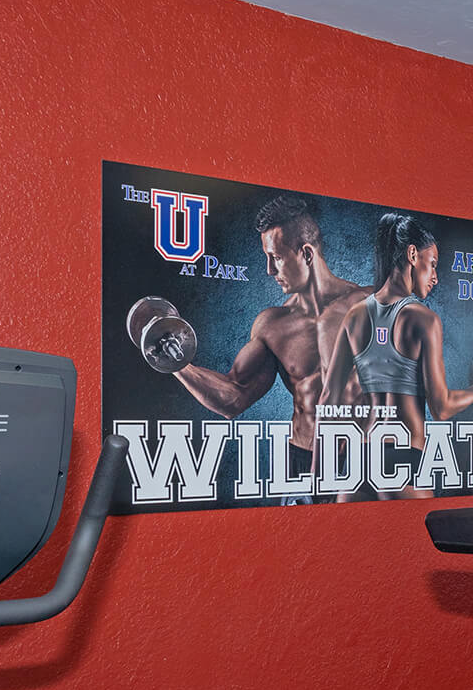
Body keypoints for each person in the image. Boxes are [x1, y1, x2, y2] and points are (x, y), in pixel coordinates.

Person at [144, 195, 371, 495]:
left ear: (306, 254)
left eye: (276, 257)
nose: (269, 270)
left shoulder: (372, 306)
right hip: (302, 460)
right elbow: (234, 397)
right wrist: (176, 365)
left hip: (366, 460)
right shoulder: (273, 325)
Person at [326, 212, 473, 497]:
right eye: (433, 264)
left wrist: (319, 478)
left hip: (358, 459)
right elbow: (441, 409)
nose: (436, 278)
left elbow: (328, 398)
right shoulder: (423, 319)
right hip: (403, 457)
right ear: (413, 254)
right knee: (415, 542)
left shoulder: (354, 315)